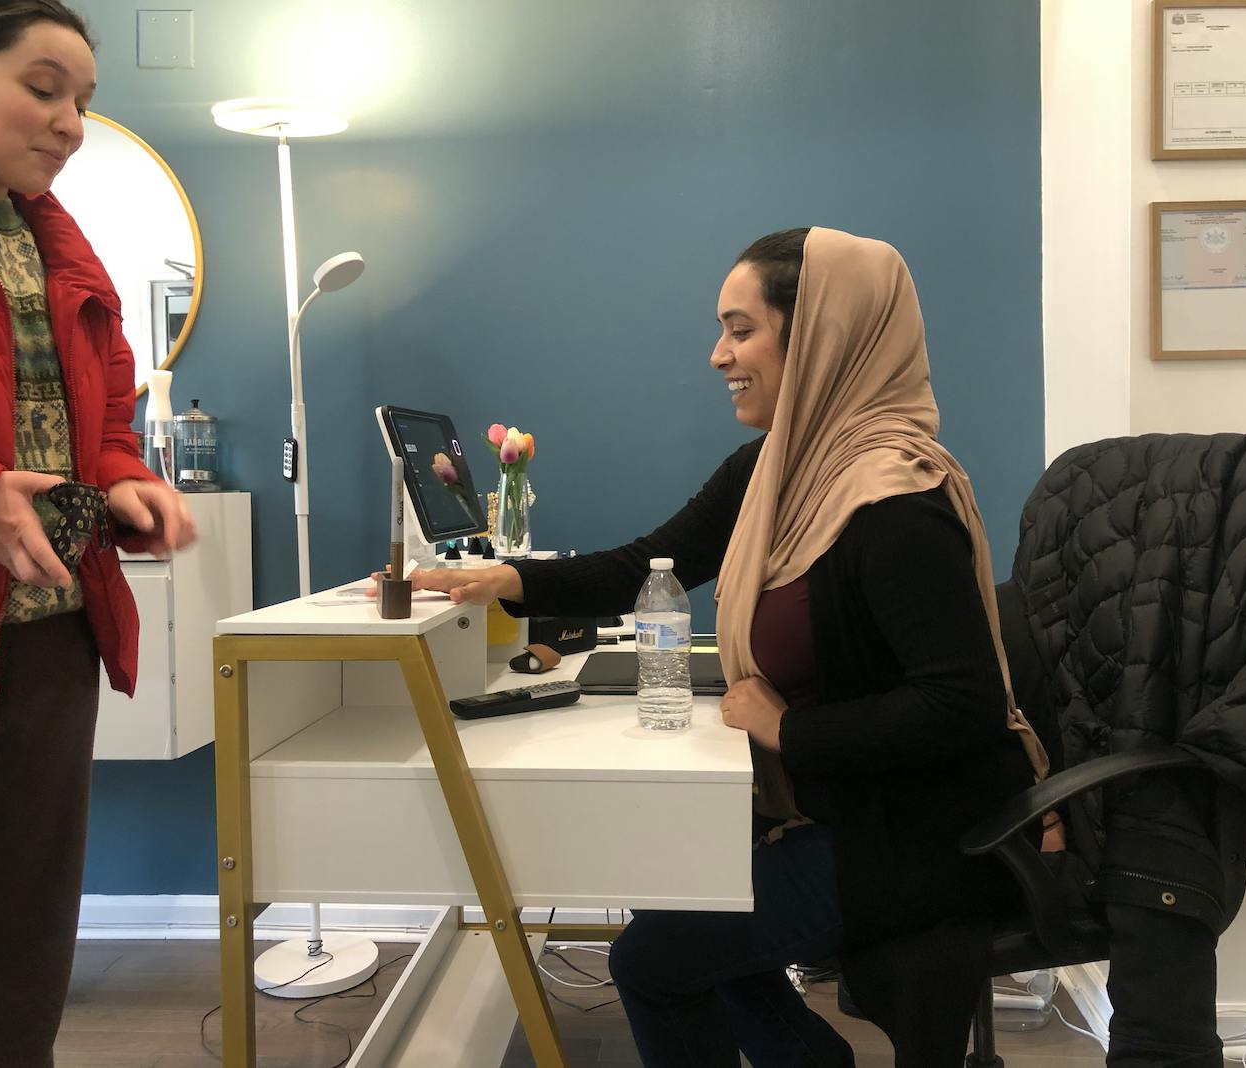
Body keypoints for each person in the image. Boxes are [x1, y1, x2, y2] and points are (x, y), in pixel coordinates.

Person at [408, 227, 1048, 1067]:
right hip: (845, 802)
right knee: (675, 898)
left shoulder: (894, 501)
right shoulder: (774, 470)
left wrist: (789, 730)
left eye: (741, 329)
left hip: (924, 834)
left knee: (651, 963)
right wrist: (505, 582)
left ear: (818, 331)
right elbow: (647, 563)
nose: (719, 355)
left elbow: (958, 707)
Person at [0, 3, 196, 1063]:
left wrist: (127, 483)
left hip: (49, 639)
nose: (70, 123)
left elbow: (108, 421)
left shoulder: (63, 252)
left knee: (16, 948)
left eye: (84, 101)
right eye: (43, 89)